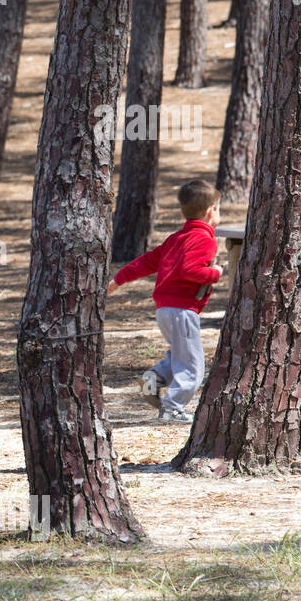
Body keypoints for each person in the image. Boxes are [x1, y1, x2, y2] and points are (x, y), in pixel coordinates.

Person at [106, 180, 223, 424]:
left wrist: (119, 279)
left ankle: (154, 379)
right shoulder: (204, 240)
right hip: (182, 310)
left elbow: (147, 261)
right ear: (211, 211)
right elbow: (190, 270)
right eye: (219, 209)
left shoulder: (176, 238)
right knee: (193, 365)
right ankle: (172, 408)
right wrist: (216, 273)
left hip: (165, 310)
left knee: (180, 355)